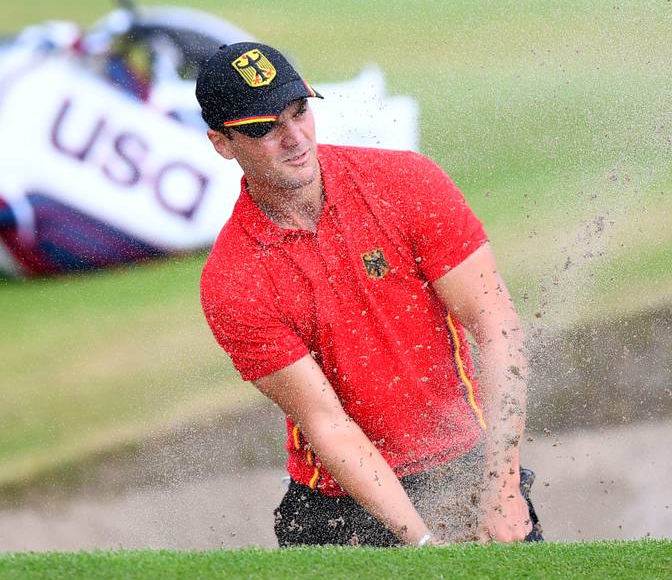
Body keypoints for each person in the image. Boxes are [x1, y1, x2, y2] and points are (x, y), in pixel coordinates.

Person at [195, 41, 539, 546]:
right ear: (222, 143)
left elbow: (496, 325)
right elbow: (327, 422)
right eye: (266, 129)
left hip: (470, 467)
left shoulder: (407, 183)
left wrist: (502, 487)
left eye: (300, 113)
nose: (295, 138)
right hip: (337, 505)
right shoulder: (233, 279)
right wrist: (422, 543)